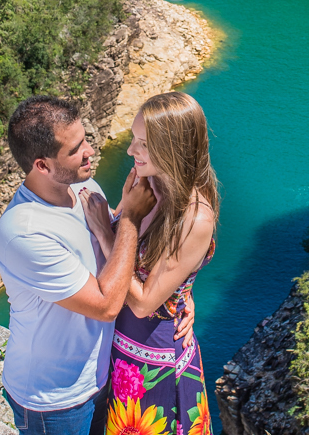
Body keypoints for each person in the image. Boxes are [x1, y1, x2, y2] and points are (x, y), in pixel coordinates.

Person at [0, 95, 161, 435]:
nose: (90, 151)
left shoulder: (83, 186)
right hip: (53, 398)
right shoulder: (25, 231)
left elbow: (121, 255)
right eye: (75, 149)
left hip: (98, 376)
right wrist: (129, 216)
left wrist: (177, 298)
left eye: (85, 139)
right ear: (42, 165)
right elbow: (106, 305)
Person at [79, 92, 218, 435]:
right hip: (118, 348)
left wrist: (105, 231)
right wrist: (184, 293)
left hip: (153, 361)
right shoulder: (145, 182)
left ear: (174, 149)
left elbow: (143, 304)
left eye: (143, 144)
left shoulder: (195, 218)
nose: (131, 151)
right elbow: (134, 246)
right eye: (133, 139)